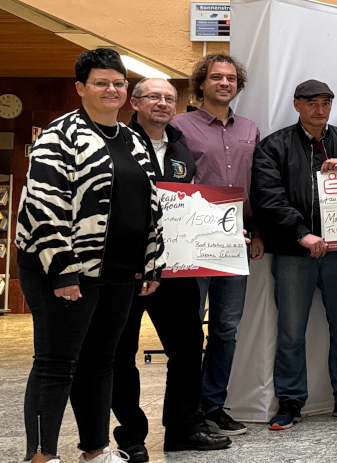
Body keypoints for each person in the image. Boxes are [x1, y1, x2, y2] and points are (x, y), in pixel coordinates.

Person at [17, 47, 165, 463]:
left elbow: (150, 205)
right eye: (101, 82)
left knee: (102, 361)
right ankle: (41, 456)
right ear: (81, 87)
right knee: (56, 362)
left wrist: (153, 259)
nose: (111, 89)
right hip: (62, 270)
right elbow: (42, 207)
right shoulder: (59, 135)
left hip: (118, 271)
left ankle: (95, 451)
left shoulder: (134, 139)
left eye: (118, 83)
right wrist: (64, 272)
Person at [111, 78, 231, 462]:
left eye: (169, 98)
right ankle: (130, 434)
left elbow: (188, 204)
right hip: (124, 268)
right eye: (153, 97)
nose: (162, 103)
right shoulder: (116, 143)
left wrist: (222, 229)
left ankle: (182, 429)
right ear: (135, 102)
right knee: (120, 352)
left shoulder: (181, 148)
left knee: (187, 346)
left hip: (174, 267)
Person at [251, 79, 337, 430]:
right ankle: (291, 400)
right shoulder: (273, 146)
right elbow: (267, 197)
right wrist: (301, 234)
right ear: (296, 105)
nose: (319, 110)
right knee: (291, 329)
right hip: (294, 252)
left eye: (325, 103)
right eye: (311, 103)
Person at [167, 52, 260, 437]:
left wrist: (258, 232)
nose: (225, 83)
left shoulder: (250, 128)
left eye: (231, 78)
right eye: (217, 77)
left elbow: (256, 184)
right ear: (201, 83)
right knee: (188, 332)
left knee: (225, 329)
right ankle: (187, 415)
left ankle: (213, 406)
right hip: (191, 242)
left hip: (236, 240)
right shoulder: (178, 125)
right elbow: (172, 182)